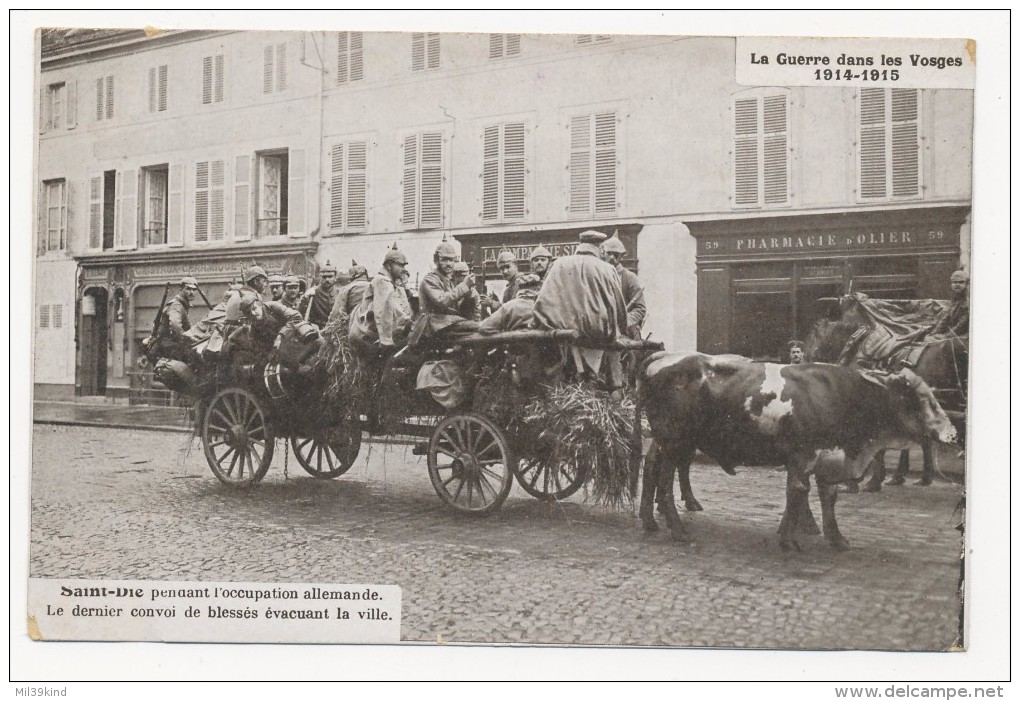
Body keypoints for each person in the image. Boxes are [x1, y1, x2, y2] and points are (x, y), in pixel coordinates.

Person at [532, 230, 628, 386]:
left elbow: (542, 301)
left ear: (580, 245)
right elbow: (618, 307)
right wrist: (621, 331)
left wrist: (540, 323)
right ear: (600, 248)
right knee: (613, 369)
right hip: (597, 333)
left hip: (564, 332)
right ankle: (614, 386)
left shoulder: (559, 264)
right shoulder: (607, 268)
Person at [408, 237, 480, 348]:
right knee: (478, 329)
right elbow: (442, 300)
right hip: (432, 324)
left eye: (451, 260)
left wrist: (469, 294)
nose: (448, 264)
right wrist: (465, 286)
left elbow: (457, 306)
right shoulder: (430, 279)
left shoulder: (448, 280)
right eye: (444, 260)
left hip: (445, 323)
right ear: (436, 261)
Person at [348, 243, 414, 353]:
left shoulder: (391, 282)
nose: (402, 269)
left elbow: (399, 308)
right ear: (389, 265)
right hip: (367, 336)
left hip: (369, 334)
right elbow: (383, 311)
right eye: (400, 265)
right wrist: (386, 341)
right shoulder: (383, 281)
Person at [600, 232, 646, 338]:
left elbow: (640, 309)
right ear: (603, 254)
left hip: (626, 334)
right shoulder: (599, 276)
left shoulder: (629, 278)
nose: (612, 258)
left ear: (621, 256)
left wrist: (624, 323)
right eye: (609, 253)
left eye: (616, 254)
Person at [156, 277, 199, 360]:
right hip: (170, 348)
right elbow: (175, 325)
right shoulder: (176, 305)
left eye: (194, 290)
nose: (191, 292)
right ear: (181, 289)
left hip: (171, 346)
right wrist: (185, 342)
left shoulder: (182, 305)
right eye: (188, 289)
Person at [930, 269, 970, 338]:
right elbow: (946, 317)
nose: (957, 284)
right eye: (955, 282)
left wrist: (945, 336)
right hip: (952, 331)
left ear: (966, 284)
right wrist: (935, 332)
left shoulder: (967, 301)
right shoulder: (955, 298)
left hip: (964, 335)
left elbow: (962, 325)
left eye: (961, 282)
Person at [303, 261, 342, 327]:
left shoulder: (340, 293)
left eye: (330, 277)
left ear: (335, 278)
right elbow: (301, 311)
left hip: (335, 328)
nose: (327, 279)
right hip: (317, 328)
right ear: (319, 278)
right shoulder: (313, 292)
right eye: (324, 277)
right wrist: (305, 297)